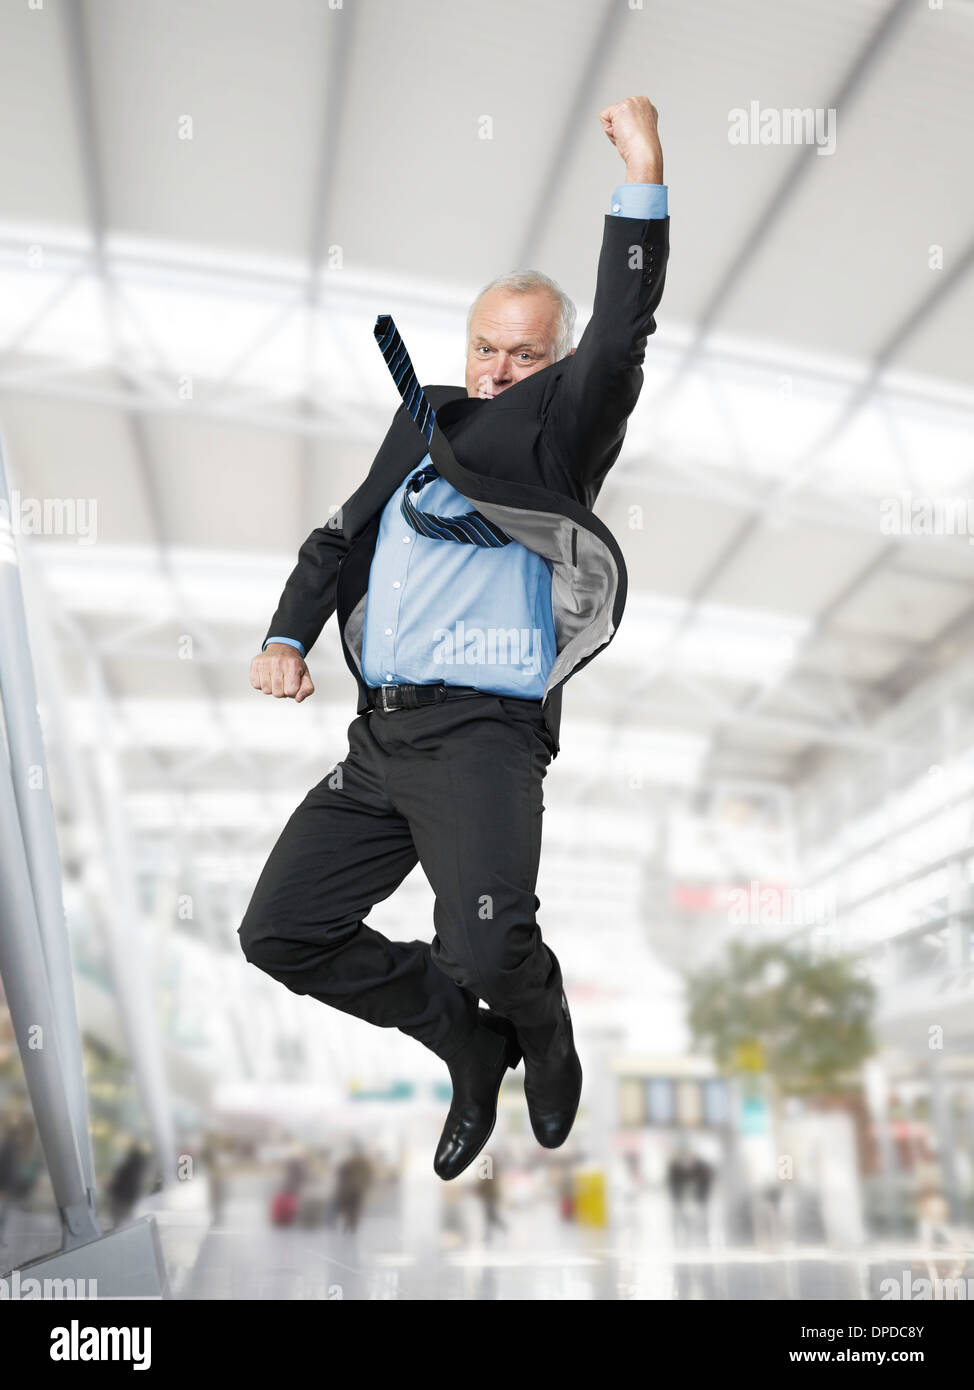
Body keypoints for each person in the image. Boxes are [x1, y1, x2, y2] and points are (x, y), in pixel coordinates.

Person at [239, 96, 670, 1182]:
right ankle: (462, 1038)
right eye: (484, 346)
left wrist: (642, 178)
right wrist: (288, 635)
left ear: (554, 365)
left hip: (483, 736)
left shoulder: (558, 432)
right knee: (281, 931)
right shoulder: (422, 414)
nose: (495, 368)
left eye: (523, 354)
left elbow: (619, 335)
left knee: (485, 945)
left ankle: (541, 1018)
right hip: (380, 740)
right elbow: (341, 533)